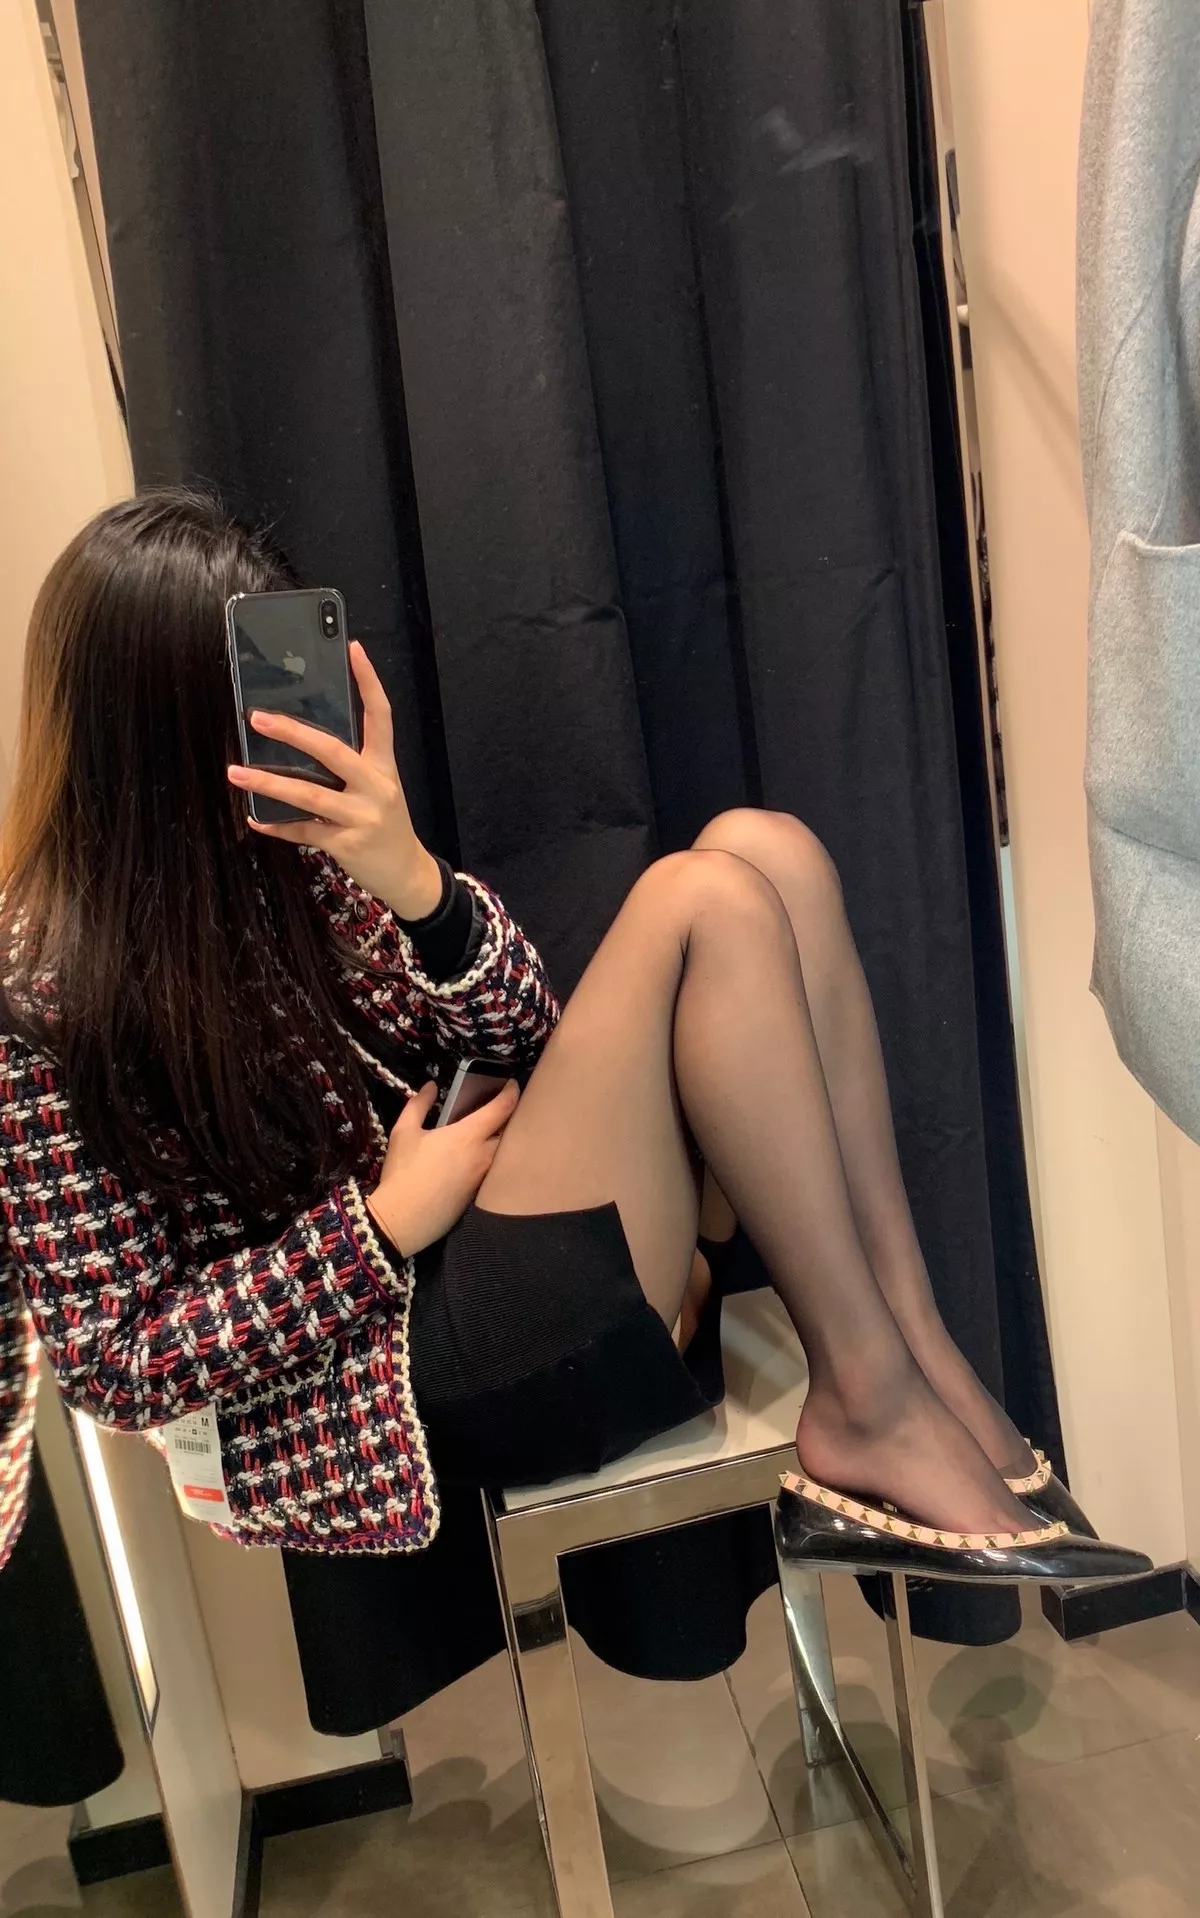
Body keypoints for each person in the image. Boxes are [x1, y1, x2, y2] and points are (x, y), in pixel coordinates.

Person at [0, 491, 1146, 1586]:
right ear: (154, 731)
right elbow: (118, 1366)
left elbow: (523, 1031)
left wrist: (416, 885)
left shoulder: (299, 854)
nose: (293, 718)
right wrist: (380, 1227)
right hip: (394, 1363)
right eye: (251, 691)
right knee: (704, 900)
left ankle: (914, 1347)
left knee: (769, 851)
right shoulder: (41, 1003)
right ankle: (868, 1404)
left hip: (485, 1232)